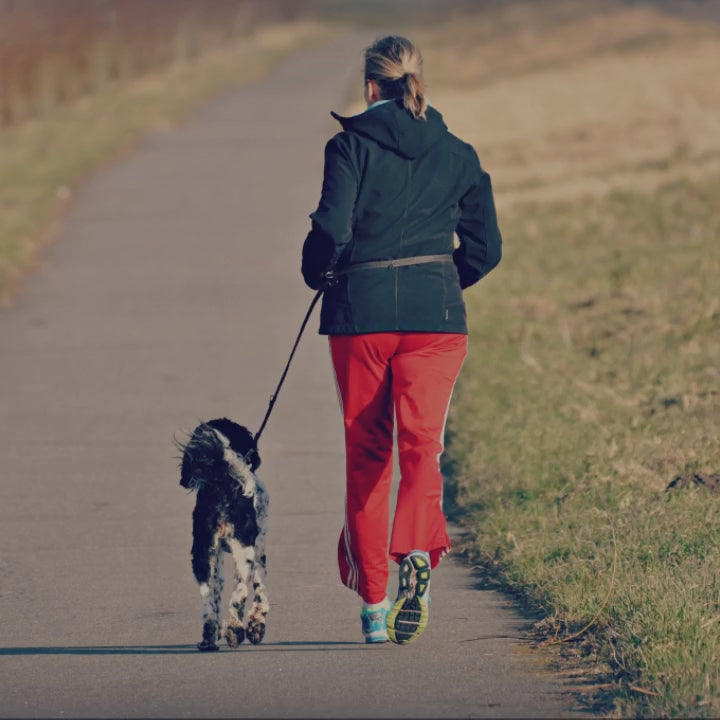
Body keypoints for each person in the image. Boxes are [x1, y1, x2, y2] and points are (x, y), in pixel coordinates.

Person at [301, 35, 502, 645]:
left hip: (360, 320)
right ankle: (415, 549)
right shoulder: (460, 153)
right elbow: (486, 248)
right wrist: (440, 280)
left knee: (368, 459)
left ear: (370, 87)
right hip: (436, 320)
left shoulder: (349, 147)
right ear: (419, 82)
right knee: (422, 449)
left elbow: (331, 229)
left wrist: (319, 273)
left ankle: (373, 608)